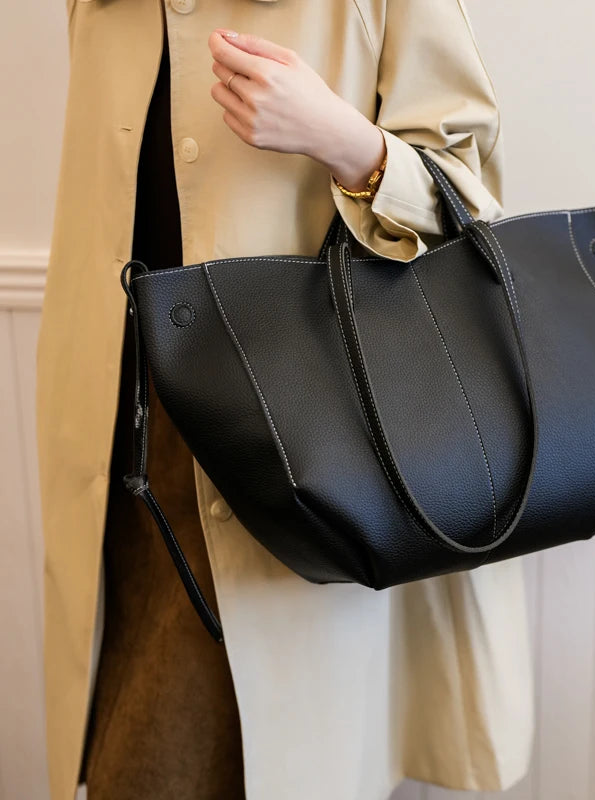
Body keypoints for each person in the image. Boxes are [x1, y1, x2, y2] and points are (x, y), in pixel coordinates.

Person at [37, 1, 535, 798]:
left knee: (300, 755)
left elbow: (473, 208)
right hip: (137, 451)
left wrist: (347, 143)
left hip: (314, 444)